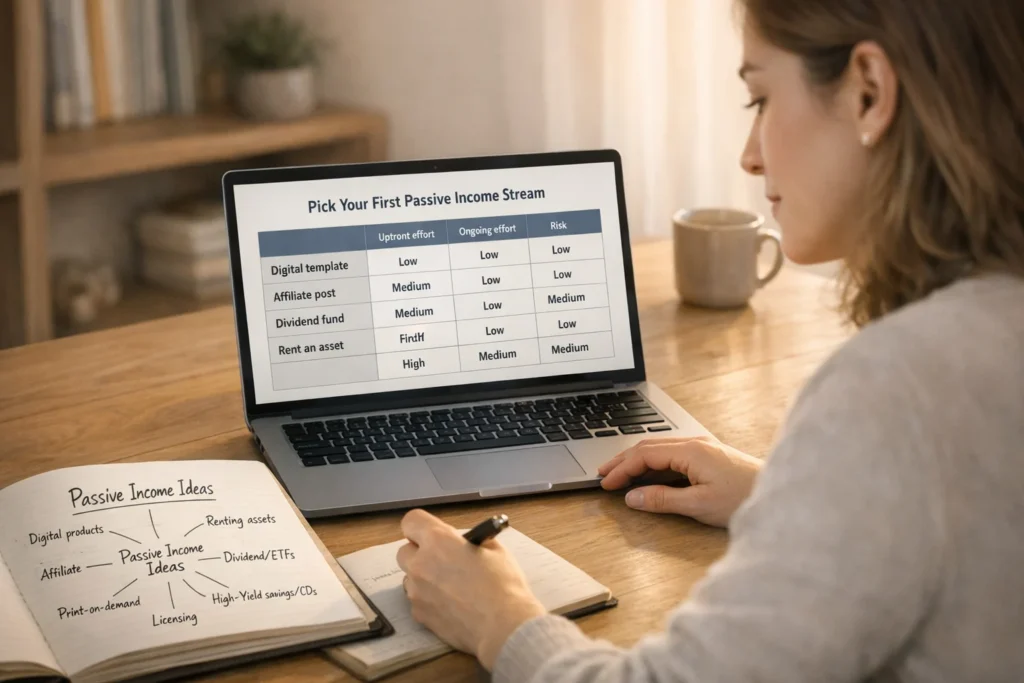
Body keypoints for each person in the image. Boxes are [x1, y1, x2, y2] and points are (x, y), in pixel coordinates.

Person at [395, 0, 1024, 680]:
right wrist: (789, 494)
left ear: (869, 92)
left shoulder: (896, 387)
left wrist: (499, 618)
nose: (749, 158)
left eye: (760, 98)